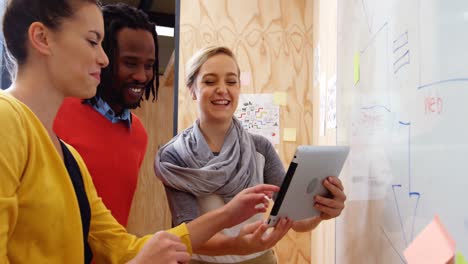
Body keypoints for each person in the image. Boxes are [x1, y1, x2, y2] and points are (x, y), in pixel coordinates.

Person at [0, 1, 282, 263]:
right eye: (92, 42)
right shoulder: (7, 121)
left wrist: (229, 221)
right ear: (42, 38)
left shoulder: (68, 156)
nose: (103, 59)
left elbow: (122, 245)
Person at [155, 46, 347, 263]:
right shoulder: (175, 156)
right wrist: (236, 246)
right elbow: (188, 235)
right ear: (192, 89)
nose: (222, 89)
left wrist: (321, 211)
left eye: (231, 81)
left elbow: (295, 220)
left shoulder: (260, 148)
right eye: (209, 81)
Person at [53, 3, 157, 226]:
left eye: (149, 65)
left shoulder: (138, 133)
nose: (141, 76)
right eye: (130, 63)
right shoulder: (55, 115)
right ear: (103, 58)